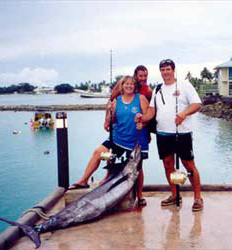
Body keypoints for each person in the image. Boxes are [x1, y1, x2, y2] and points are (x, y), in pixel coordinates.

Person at [69, 76, 150, 206]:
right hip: (117, 138)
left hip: (136, 140)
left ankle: (140, 196)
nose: (129, 86)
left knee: (138, 169)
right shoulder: (116, 100)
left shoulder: (140, 98)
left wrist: (143, 121)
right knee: (98, 152)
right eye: (126, 84)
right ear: (122, 86)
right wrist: (109, 113)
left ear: (134, 87)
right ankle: (83, 180)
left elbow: (148, 116)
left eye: (131, 84)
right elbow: (110, 122)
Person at [136, 59, 203, 212]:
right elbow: (152, 110)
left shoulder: (185, 85)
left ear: (173, 70)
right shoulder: (157, 89)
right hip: (163, 133)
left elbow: (197, 104)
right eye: (163, 69)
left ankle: (198, 197)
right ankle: (175, 195)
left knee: (189, 166)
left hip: (182, 133)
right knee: (168, 165)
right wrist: (143, 118)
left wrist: (183, 114)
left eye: (168, 69)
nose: (165, 72)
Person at [103, 65, 153, 207]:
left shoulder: (147, 92)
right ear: (135, 77)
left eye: (145, 76)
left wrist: (146, 127)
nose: (143, 79)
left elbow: (151, 111)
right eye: (140, 76)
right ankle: (108, 180)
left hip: (139, 134)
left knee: (138, 167)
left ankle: (140, 195)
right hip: (121, 135)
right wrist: (106, 119)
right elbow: (110, 105)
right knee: (111, 158)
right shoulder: (120, 91)